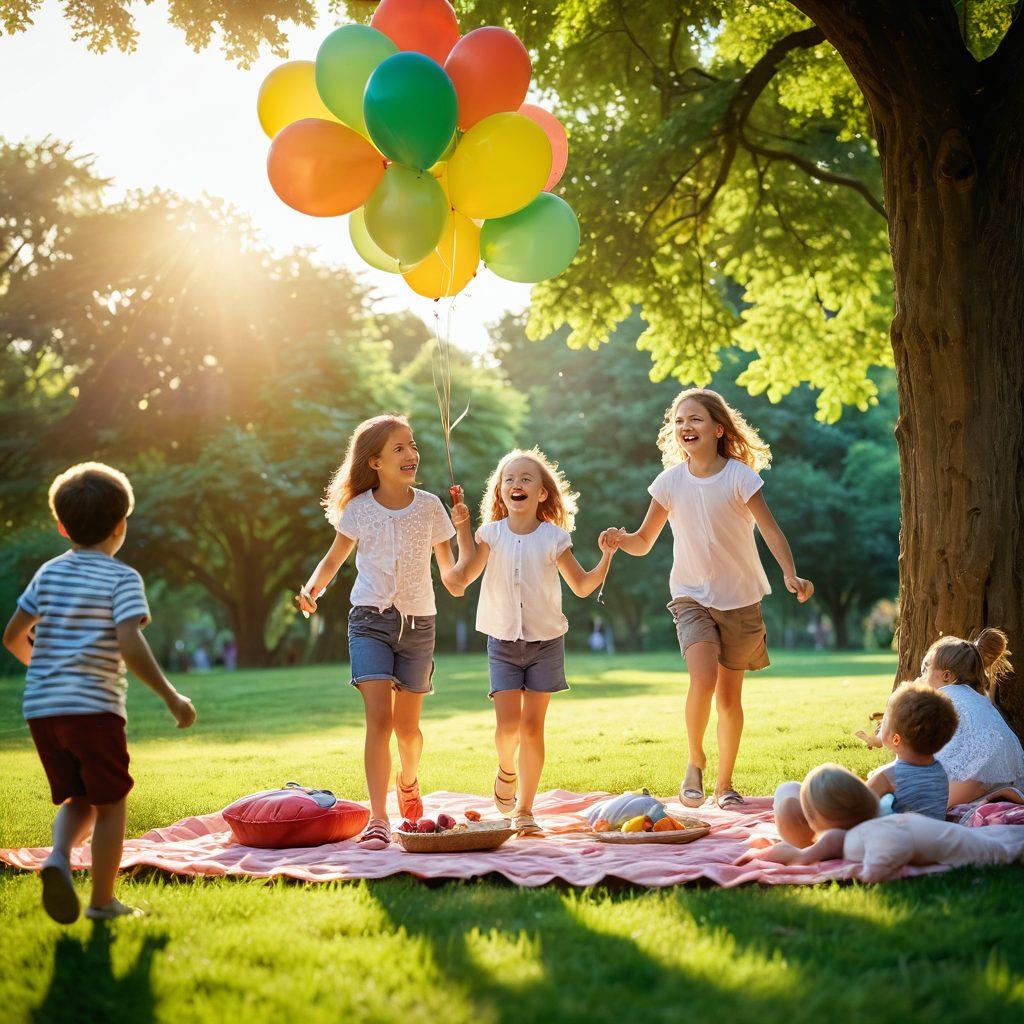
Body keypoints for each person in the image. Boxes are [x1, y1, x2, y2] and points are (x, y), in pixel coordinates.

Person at [600, 388, 813, 809]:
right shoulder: (669, 482)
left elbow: (770, 529)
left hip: (740, 599)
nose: (685, 427)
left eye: (694, 419)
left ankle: (725, 784)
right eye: (679, 420)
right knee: (703, 679)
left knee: (730, 700)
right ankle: (695, 761)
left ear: (718, 428)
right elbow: (644, 542)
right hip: (690, 596)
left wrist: (790, 573)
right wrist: (620, 540)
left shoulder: (740, 477)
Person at [2, 463, 196, 923]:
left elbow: (13, 637)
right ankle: (103, 902)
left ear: (62, 525)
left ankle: (57, 857)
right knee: (111, 805)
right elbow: (129, 641)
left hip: (43, 710)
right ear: (121, 525)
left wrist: (47, 667)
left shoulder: (47, 574)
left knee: (79, 797)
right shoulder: (121, 578)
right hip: (93, 709)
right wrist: (171, 696)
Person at [296, 415, 472, 849]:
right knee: (379, 719)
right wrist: (311, 588)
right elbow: (334, 559)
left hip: (418, 623)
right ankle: (378, 817)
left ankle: (407, 779)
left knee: (408, 730)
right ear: (374, 461)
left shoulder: (431, 506)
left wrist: (465, 529)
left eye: (413, 445)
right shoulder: (359, 510)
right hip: (369, 620)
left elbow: (452, 575)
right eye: (399, 448)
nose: (411, 454)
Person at [447, 448, 614, 834]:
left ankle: (525, 810)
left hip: (545, 643)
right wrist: (460, 529)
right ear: (500, 491)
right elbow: (460, 580)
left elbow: (583, 585)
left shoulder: (555, 538)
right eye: (509, 479)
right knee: (508, 729)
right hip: (502, 641)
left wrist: (605, 556)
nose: (516, 484)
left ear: (542, 493)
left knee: (532, 729)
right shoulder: (489, 534)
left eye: (526, 479)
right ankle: (506, 769)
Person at [738, 764, 1024, 882]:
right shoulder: (865, 826)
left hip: (994, 852)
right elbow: (816, 850)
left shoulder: (880, 831)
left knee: (1009, 844)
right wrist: (768, 852)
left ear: (815, 821)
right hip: (980, 842)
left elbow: (894, 846)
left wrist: (870, 874)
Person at [918, 628, 1024, 804]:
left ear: (946, 676)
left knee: (913, 795)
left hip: (974, 775)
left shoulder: (942, 697)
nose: (921, 677)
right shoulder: (982, 701)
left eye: (926, 670)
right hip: (1008, 772)